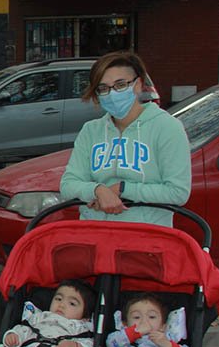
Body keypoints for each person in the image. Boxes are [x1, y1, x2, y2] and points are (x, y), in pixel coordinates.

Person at [59, 51, 191, 227]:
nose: (112, 94)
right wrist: (97, 190)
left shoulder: (167, 127)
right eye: (103, 88)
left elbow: (178, 192)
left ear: (138, 85)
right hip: (96, 234)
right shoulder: (91, 131)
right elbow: (68, 184)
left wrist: (123, 189)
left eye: (120, 85)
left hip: (146, 238)